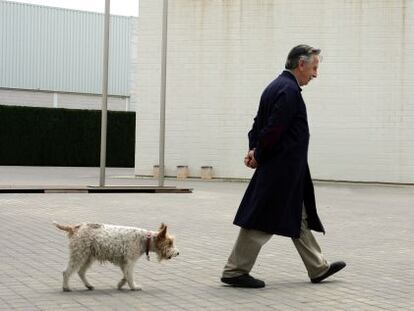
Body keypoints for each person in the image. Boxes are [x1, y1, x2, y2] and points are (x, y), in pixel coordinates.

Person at [221, 45, 346, 288]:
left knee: (298, 218)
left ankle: (318, 267)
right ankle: (235, 271)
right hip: (281, 171)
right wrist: (257, 153)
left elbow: (258, 124)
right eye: (314, 67)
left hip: (285, 171)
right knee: (260, 220)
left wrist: (253, 150)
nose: (315, 74)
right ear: (301, 64)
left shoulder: (275, 87)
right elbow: (274, 130)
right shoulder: (289, 91)